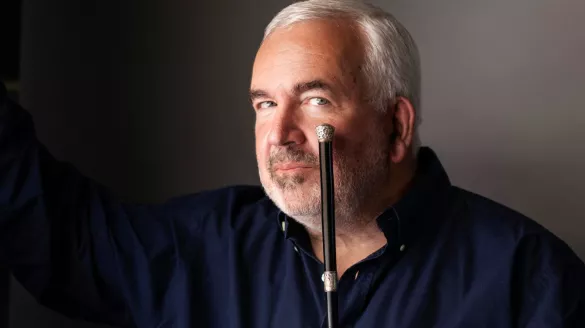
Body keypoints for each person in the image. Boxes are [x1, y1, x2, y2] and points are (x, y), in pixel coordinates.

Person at [1, 0, 584, 327]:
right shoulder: (203, 247)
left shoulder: (530, 281)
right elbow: (59, 234)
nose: (279, 134)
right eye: (263, 104)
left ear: (396, 125)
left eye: (315, 100)